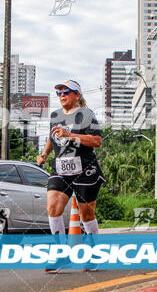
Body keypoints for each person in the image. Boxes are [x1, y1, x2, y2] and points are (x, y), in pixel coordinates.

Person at [37, 80, 104, 273]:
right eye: (58, 93)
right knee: (52, 206)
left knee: (86, 214)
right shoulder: (55, 116)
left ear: (77, 94)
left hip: (85, 169)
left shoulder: (86, 114)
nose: (62, 95)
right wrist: (44, 154)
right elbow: (53, 137)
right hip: (60, 169)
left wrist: (70, 135)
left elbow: (97, 141)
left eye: (66, 92)